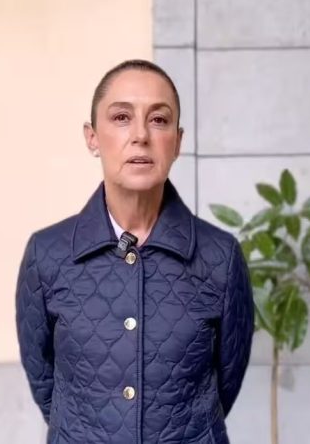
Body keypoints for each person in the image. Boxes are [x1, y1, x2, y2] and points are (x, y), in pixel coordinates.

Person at [15, 59, 254, 444]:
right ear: (92, 137)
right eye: (122, 117)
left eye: (159, 120)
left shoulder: (220, 257)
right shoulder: (47, 254)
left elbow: (226, 381)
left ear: (177, 142)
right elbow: (46, 382)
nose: (141, 135)